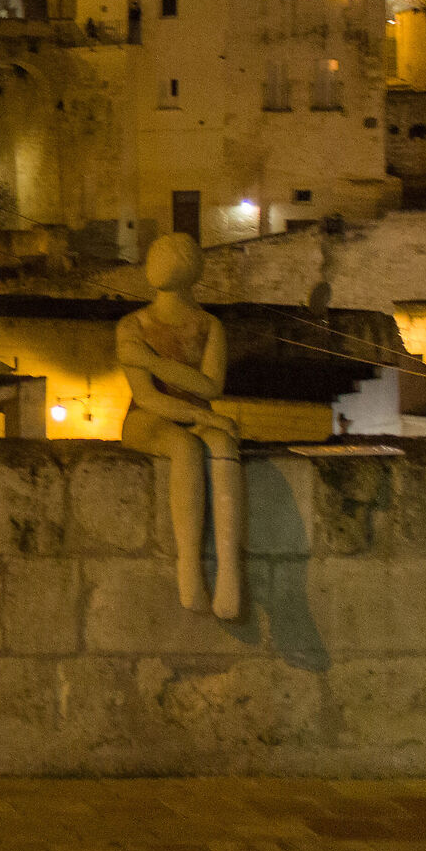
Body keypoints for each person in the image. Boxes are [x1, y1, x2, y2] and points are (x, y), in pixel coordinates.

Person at [116, 232, 245, 620]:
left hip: (194, 413)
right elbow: (147, 396)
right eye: (156, 254)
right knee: (184, 448)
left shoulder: (208, 326)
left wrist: (153, 362)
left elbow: (211, 387)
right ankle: (189, 564)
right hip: (148, 419)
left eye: (167, 255)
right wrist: (205, 415)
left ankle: (229, 570)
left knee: (223, 445)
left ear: (189, 268)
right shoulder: (133, 325)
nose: (156, 262)